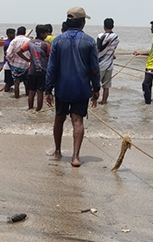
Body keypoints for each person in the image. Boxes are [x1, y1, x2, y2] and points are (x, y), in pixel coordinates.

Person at [45, 7, 100, 167]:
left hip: (62, 88)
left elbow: (52, 68)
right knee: (78, 121)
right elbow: (95, 68)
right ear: (82, 22)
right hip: (81, 88)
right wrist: (96, 88)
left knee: (59, 119)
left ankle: (57, 151)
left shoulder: (57, 41)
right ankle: (75, 157)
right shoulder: (89, 41)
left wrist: (48, 89)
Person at [16, 24, 50, 111]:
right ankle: (38, 110)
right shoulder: (46, 45)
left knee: (31, 91)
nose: (47, 35)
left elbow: (19, 52)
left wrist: (27, 60)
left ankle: (30, 108)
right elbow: (49, 57)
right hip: (42, 71)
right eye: (46, 33)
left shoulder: (30, 43)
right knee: (40, 92)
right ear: (42, 34)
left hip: (32, 70)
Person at [96, 18, 119, 105]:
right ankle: (104, 102)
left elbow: (98, 49)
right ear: (112, 26)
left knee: (96, 85)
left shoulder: (100, 36)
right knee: (106, 86)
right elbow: (112, 50)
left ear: (104, 26)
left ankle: (94, 102)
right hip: (109, 65)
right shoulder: (116, 37)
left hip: (100, 64)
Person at [5, 26, 31, 98]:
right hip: (26, 65)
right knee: (26, 83)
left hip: (16, 65)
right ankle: (27, 97)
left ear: (17, 33)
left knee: (16, 83)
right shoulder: (29, 41)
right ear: (25, 32)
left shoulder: (14, 41)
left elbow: (8, 54)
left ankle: (16, 98)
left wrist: (11, 62)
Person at [0, 28, 16, 93]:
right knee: (8, 82)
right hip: (8, 65)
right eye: (11, 34)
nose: (13, 35)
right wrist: (11, 66)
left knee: (12, 81)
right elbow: (7, 56)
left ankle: (4, 90)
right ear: (7, 34)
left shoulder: (12, 42)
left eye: (14, 33)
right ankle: (5, 92)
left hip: (11, 64)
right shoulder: (8, 44)